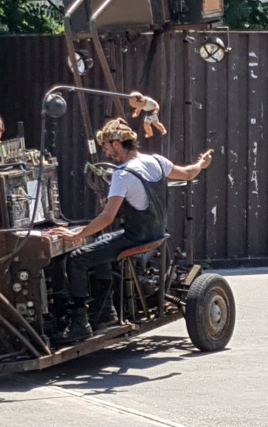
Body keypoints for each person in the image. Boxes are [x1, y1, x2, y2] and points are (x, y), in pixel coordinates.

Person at [49, 118, 213, 342]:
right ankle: (105, 313)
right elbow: (188, 173)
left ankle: (80, 324)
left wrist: (76, 234)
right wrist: (201, 164)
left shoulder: (123, 175)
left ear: (117, 144)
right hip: (156, 233)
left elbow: (107, 217)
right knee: (102, 241)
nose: (107, 153)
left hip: (135, 237)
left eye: (107, 147)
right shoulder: (156, 161)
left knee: (77, 259)